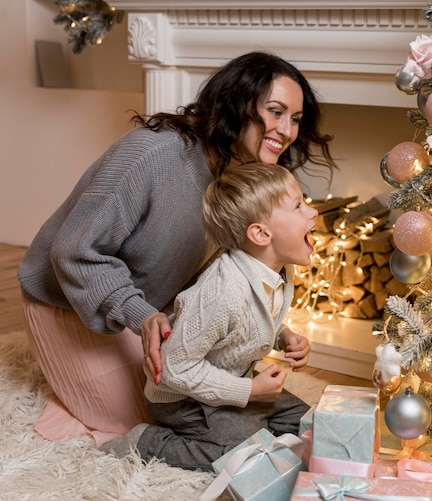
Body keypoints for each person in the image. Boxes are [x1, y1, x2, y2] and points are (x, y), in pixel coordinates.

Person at [17, 51, 336, 446]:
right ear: (236, 104)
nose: (287, 130)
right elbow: (72, 251)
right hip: (70, 302)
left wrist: (277, 330)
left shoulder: (246, 175)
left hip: (155, 312)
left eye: (295, 119)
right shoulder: (152, 155)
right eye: (275, 111)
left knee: (204, 404)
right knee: (145, 418)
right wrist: (141, 314)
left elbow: (225, 279)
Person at [102, 161, 317, 471]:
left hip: (229, 379)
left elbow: (249, 322)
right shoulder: (224, 291)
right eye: (299, 207)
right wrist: (250, 391)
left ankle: (245, 422)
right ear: (260, 233)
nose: (313, 213)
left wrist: (284, 336)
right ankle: (146, 441)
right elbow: (175, 368)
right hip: (182, 399)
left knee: (306, 423)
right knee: (244, 456)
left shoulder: (275, 271)